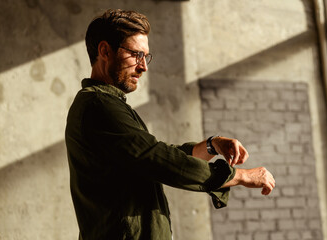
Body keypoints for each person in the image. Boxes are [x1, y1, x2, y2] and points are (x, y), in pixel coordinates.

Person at [65, 9, 275, 240]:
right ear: (105, 51)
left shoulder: (107, 105)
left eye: (146, 56)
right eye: (136, 54)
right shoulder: (99, 106)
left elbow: (157, 155)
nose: (143, 66)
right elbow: (161, 161)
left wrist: (211, 146)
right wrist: (242, 176)